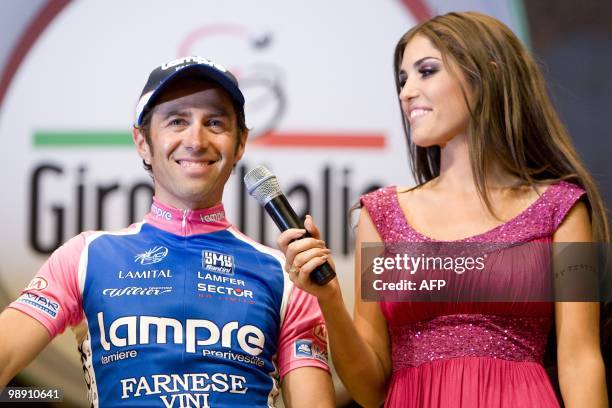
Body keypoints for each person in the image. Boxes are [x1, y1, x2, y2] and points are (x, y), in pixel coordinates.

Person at [278, 12, 609, 408]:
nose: (406, 92)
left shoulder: (563, 209)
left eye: (426, 71)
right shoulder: (381, 214)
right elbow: (369, 390)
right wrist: (330, 298)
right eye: (403, 80)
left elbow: (580, 361)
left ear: (486, 76)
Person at [0, 56, 334, 407]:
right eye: (177, 121)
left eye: (215, 123)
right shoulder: (85, 256)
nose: (195, 139)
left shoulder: (288, 277)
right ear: (142, 141)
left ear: (240, 144)